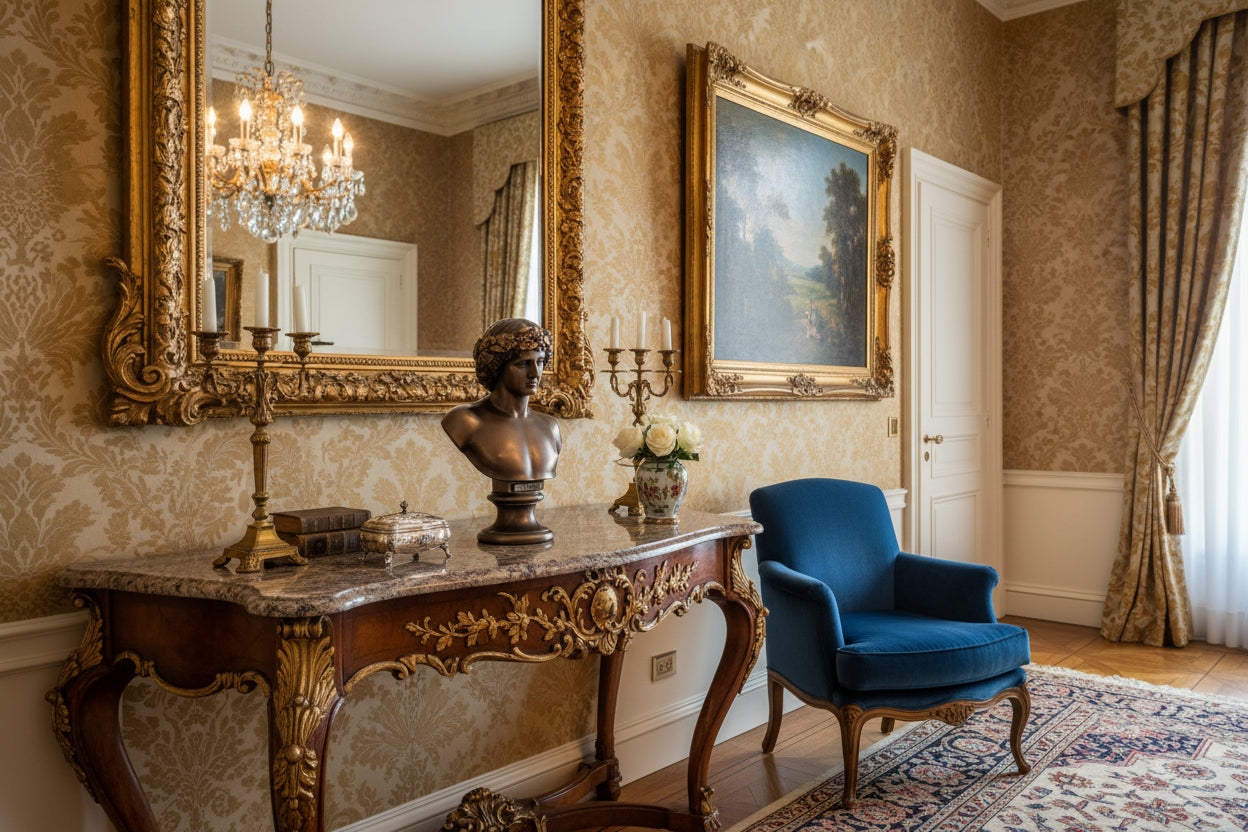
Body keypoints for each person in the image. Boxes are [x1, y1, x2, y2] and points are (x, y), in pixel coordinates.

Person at [441, 318, 561, 484]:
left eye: (540, 362)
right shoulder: (465, 421)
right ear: (497, 367)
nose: (535, 373)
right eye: (524, 363)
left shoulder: (550, 427)